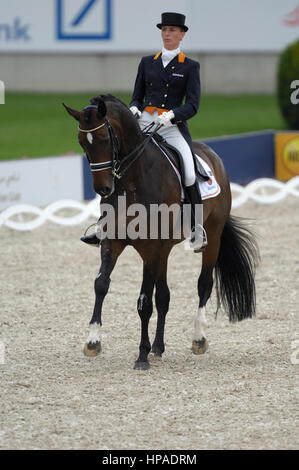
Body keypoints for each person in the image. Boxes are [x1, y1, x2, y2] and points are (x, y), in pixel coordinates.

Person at [81, 12, 207, 250]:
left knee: (189, 172)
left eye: (172, 30)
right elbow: (137, 96)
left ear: (182, 35)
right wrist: (135, 109)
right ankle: (103, 224)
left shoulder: (190, 66)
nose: (167, 34)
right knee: (115, 162)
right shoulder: (147, 62)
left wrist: (172, 115)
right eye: (164, 30)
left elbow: (193, 105)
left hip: (170, 126)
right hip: (142, 122)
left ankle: (196, 228)